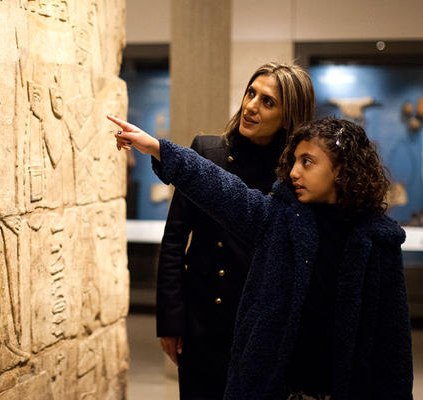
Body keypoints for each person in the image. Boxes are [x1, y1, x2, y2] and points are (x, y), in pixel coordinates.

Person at [109, 114, 413, 400]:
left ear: (342, 170)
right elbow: (223, 189)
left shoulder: (377, 241)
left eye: (308, 162)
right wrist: (159, 149)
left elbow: (393, 346)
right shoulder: (280, 219)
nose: (294, 172)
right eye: (294, 160)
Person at [156, 62, 314, 399]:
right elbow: (174, 241)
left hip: (260, 328)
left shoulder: (293, 176)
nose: (251, 106)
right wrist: (170, 320)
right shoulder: (208, 153)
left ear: (289, 117)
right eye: (250, 93)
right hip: (202, 321)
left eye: (267, 101)